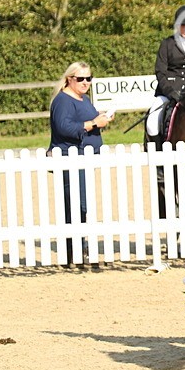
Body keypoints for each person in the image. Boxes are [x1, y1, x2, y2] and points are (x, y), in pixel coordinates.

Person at [49, 62, 112, 268]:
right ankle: (75, 251)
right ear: (69, 79)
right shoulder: (63, 101)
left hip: (83, 158)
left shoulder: (83, 98)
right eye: (81, 79)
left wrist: (100, 119)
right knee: (76, 205)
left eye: (88, 78)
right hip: (70, 158)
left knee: (81, 205)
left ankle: (79, 249)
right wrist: (94, 123)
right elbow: (64, 126)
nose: (86, 82)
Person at [146, 5, 185, 141]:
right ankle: (157, 155)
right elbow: (160, 72)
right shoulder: (167, 44)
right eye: (183, 25)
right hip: (167, 92)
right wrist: (170, 92)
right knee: (152, 122)